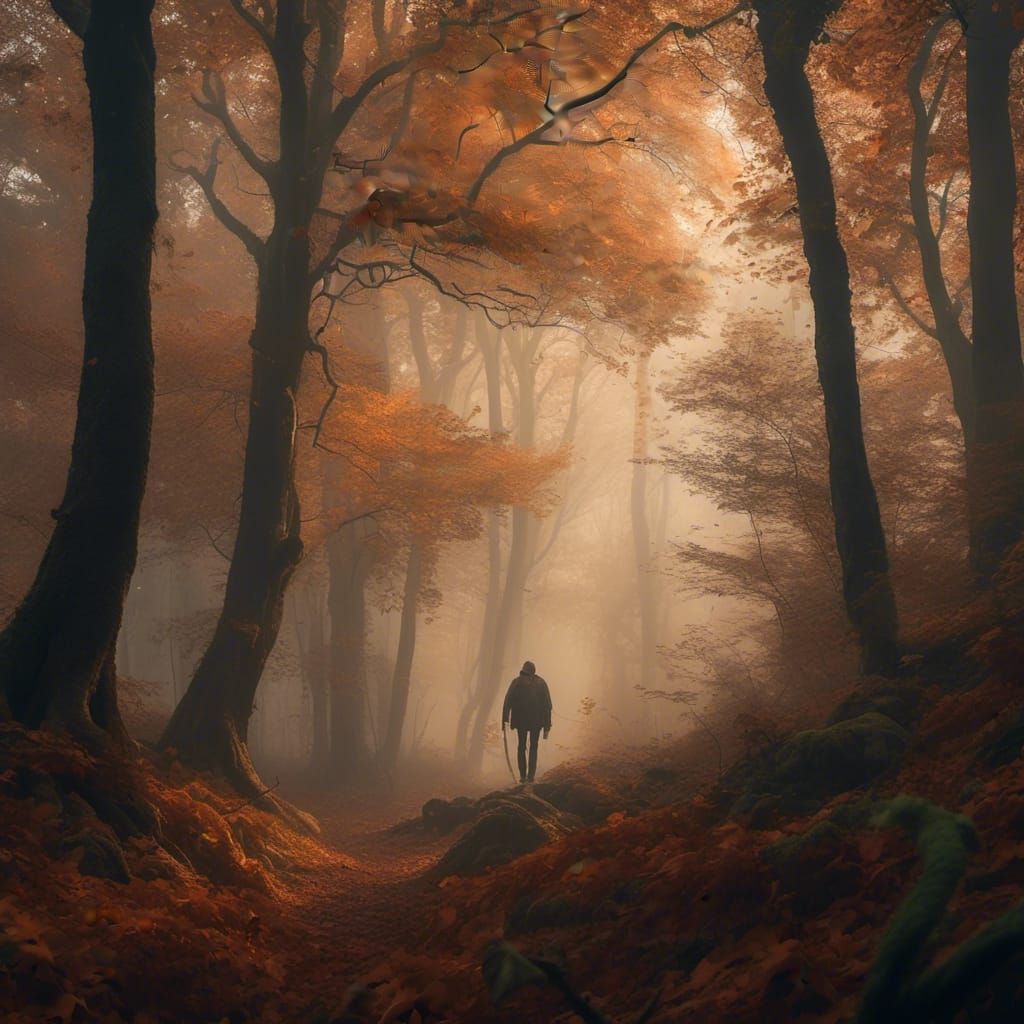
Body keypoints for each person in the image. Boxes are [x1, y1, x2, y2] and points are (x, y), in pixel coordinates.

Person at [501, 660, 552, 784]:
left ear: (524, 670)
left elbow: (507, 701)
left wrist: (505, 719)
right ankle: (530, 778)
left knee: (521, 747)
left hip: (521, 722)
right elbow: (548, 706)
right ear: (533, 671)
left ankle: (523, 777)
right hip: (537, 722)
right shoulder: (541, 683)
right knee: (534, 747)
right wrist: (547, 726)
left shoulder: (517, 682)